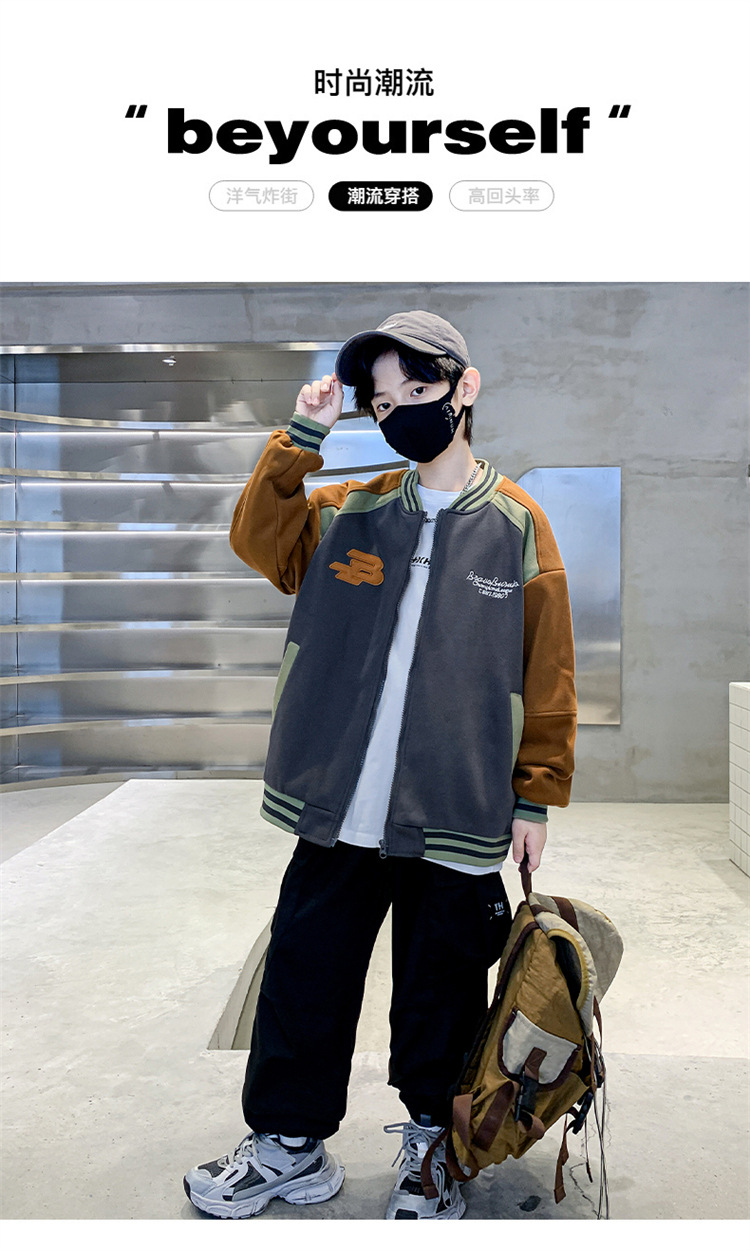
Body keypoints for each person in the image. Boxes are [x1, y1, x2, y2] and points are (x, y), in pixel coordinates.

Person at [183, 311, 577, 1220]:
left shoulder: (518, 525)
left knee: (441, 987)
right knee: (305, 973)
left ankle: (433, 1144)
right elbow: (258, 539)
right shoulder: (348, 507)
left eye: (419, 390)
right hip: (341, 801)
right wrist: (302, 436)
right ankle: (288, 1145)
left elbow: (548, 673)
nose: (401, 410)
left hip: (456, 803)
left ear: (464, 389)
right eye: (384, 402)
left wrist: (536, 798)